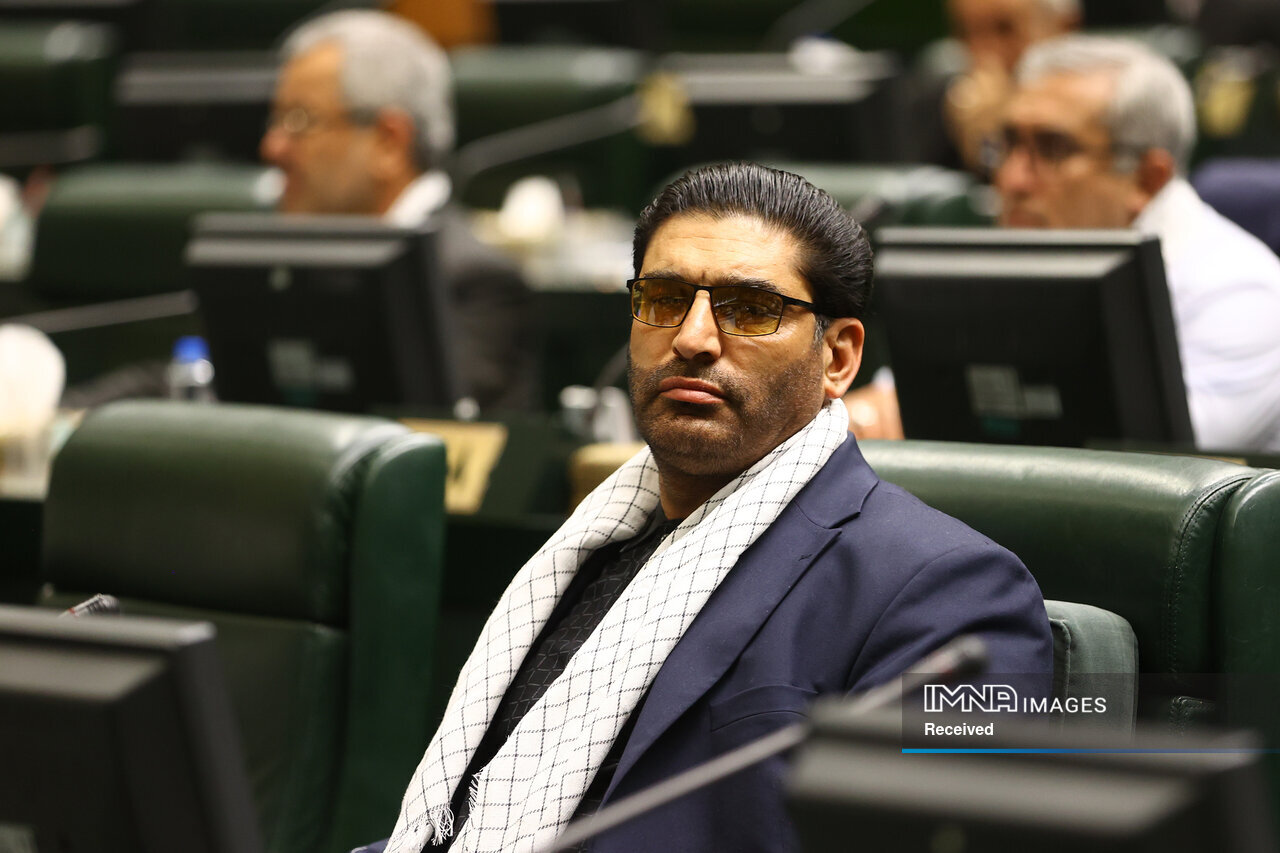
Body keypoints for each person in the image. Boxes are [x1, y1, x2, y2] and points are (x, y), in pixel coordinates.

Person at [362, 163, 1052, 853]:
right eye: (664, 299)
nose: (692, 338)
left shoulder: (952, 594)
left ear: (838, 358)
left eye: (749, 309)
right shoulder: (588, 552)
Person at [994, 35, 1280, 451]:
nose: (1012, 179)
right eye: (1008, 143)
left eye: (1052, 148)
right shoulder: (1018, 253)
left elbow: (1156, 470)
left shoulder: (1244, 297)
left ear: (1147, 179)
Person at [261, 10, 535, 412]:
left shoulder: (475, 284)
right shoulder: (285, 260)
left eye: (299, 120)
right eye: (275, 120)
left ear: (388, 142)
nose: (272, 147)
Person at [906, 0, 1079, 172]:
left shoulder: (1088, 112)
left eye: (1005, 29)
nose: (985, 53)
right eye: (966, 32)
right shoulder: (942, 106)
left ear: (1064, 27)